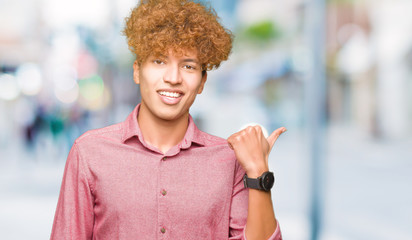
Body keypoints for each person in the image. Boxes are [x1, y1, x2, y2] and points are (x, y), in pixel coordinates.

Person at [51, 0, 285, 239]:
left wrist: (258, 173)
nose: (173, 78)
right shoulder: (90, 152)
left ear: (202, 81)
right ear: (136, 71)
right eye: (159, 61)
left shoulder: (229, 160)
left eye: (188, 66)